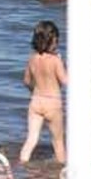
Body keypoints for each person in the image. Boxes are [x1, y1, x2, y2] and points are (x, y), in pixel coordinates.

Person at [20, 21, 67, 164]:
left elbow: (26, 81)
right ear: (53, 41)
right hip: (53, 103)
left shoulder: (32, 59)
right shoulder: (55, 60)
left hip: (36, 102)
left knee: (31, 139)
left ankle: (22, 164)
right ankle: (63, 171)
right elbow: (65, 81)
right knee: (58, 142)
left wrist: (33, 91)